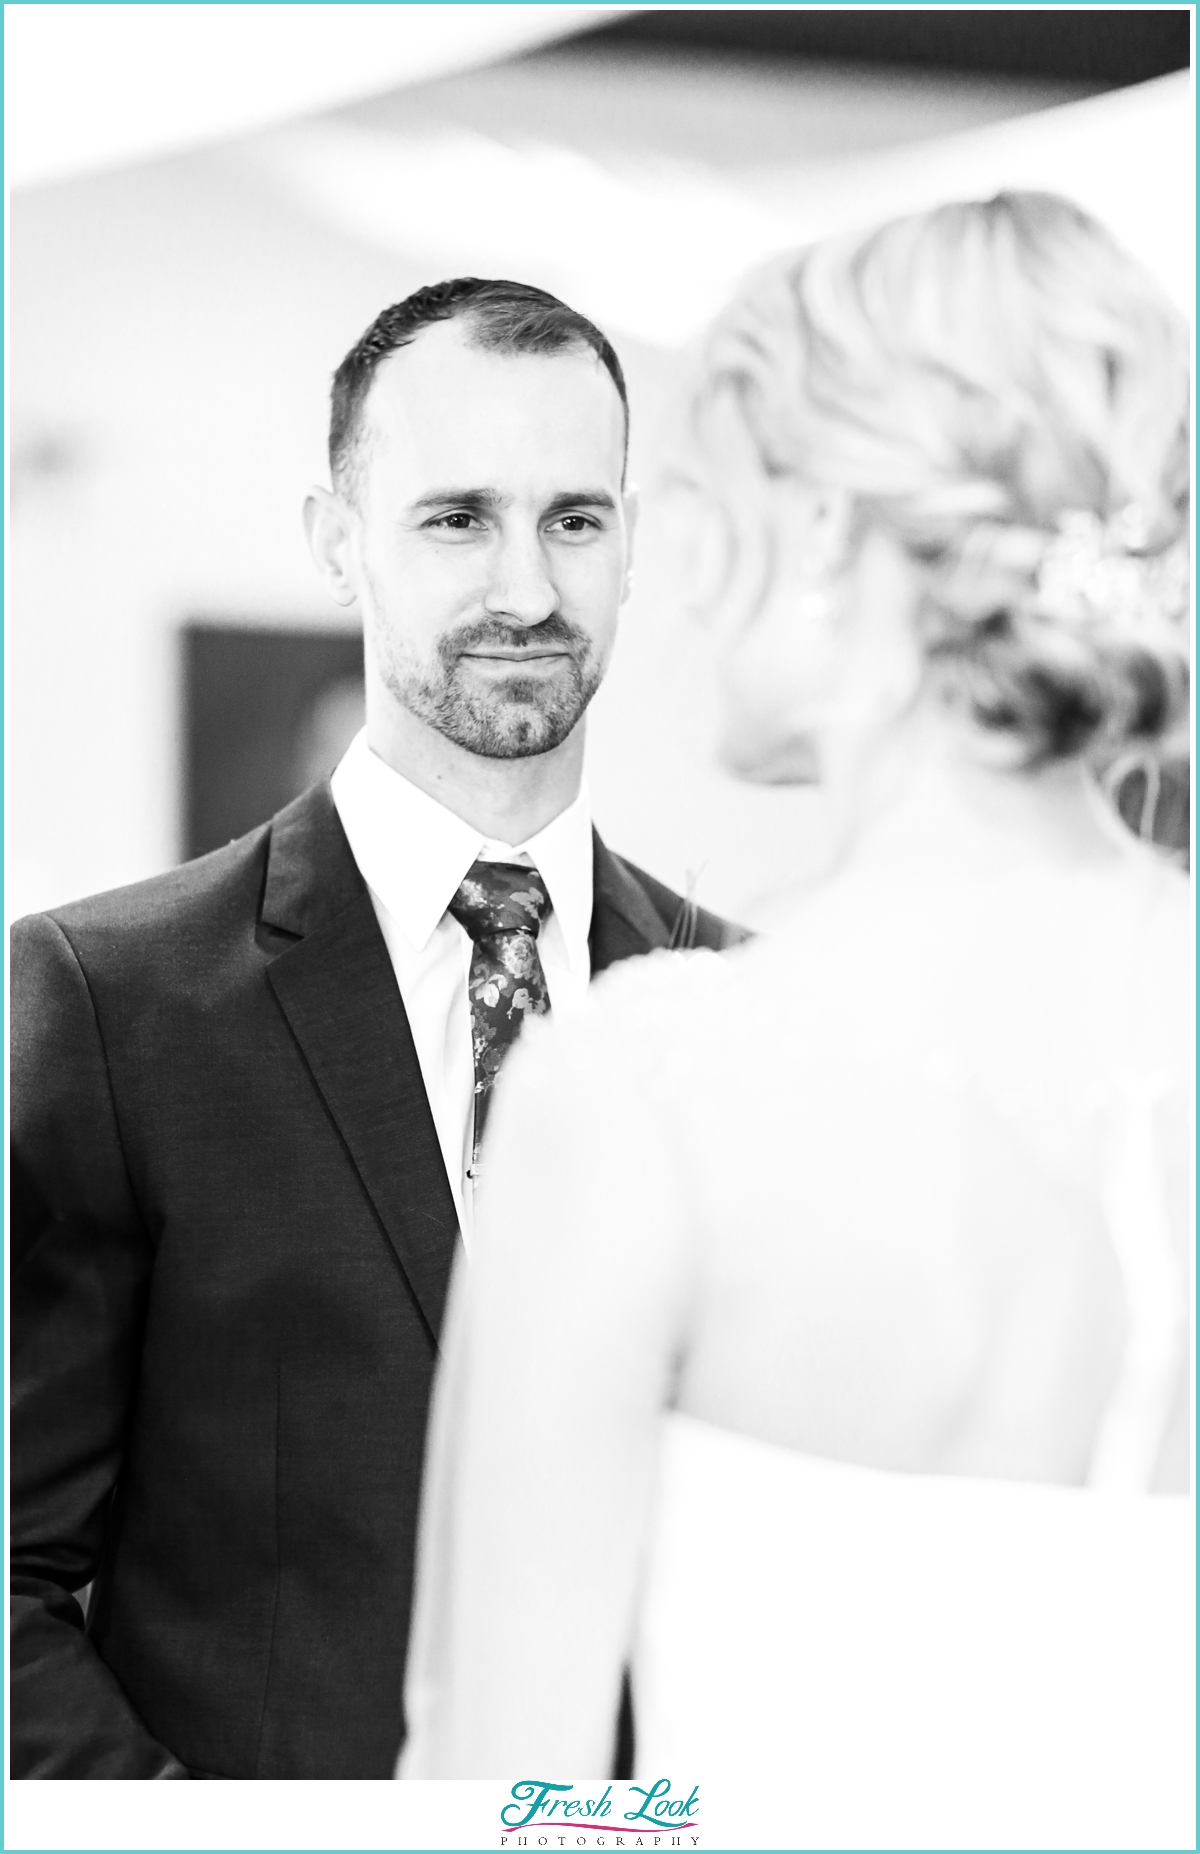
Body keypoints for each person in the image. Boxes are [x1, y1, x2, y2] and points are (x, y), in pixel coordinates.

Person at [398, 198, 1193, 1847]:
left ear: (825, 530)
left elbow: (516, 1800)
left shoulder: (649, 1088)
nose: (672, 581)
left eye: (699, 505)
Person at [10, 278, 743, 1779]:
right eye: (457, 518)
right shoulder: (109, 1001)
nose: (527, 589)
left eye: (575, 520)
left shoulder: (742, 1008)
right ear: (336, 539)